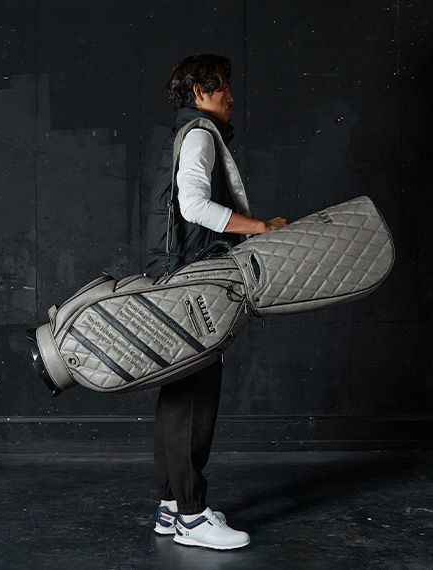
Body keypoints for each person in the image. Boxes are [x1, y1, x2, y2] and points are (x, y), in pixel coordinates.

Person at [145, 54, 287, 550]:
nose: (230, 96)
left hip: (176, 278)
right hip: (194, 283)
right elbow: (193, 206)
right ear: (200, 93)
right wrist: (260, 228)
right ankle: (192, 516)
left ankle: (171, 508)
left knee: (178, 395)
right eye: (222, 87)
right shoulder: (200, 135)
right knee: (195, 397)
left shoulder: (187, 134)